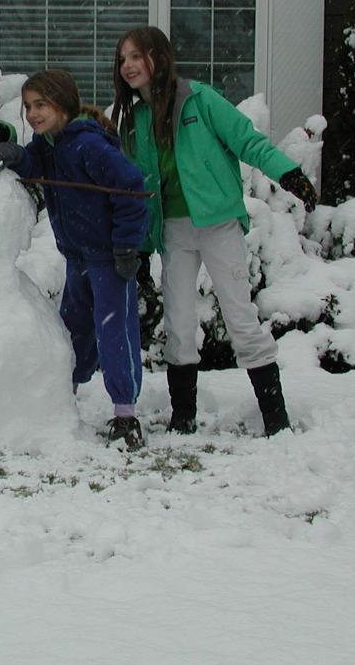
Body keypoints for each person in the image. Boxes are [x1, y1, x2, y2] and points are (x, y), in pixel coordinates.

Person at [110, 26, 318, 437]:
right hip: (172, 231)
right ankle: (182, 417)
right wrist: (134, 244)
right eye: (122, 60)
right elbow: (130, 186)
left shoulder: (199, 100)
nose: (129, 66)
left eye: (137, 56)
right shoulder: (132, 122)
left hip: (218, 223)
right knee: (179, 323)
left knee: (241, 318)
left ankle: (276, 419)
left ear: (159, 57)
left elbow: (247, 141)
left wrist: (289, 174)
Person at [0, 69, 150, 451]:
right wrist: (12, 151)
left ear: (63, 104)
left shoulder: (89, 146)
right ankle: (62, 394)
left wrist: (127, 245)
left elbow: (132, 187)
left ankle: (125, 413)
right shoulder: (47, 144)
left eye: (41, 105)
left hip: (109, 257)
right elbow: (32, 164)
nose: (33, 113)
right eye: (29, 106)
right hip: (77, 257)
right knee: (74, 328)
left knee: (114, 331)